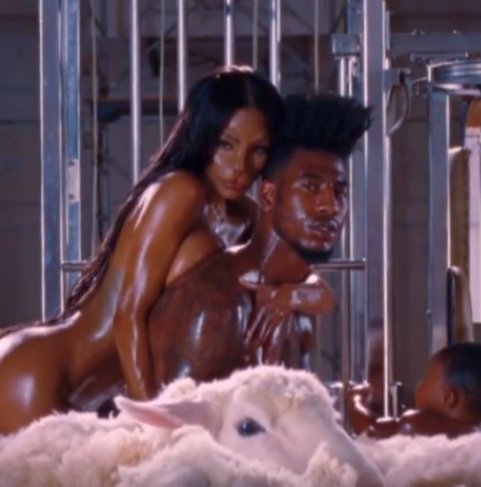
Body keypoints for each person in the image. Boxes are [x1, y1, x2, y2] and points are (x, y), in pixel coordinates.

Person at [0, 67, 336, 435]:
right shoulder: (180, 192)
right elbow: (129, 315)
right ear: (201, 136)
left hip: (81, 389)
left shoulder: (239, 211)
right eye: (225, 145)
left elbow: (298, 274)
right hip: (35, 375)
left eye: (257, 151)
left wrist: (292, 296)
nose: (239, 166)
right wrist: (158, 423)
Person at [143, 93, 372, 389]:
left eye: (339, 191)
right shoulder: (215, 307)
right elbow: (167, 418)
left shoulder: (294, 302)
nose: (330, 206)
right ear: (268, 196)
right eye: (311, 187)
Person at [347, 342, 481, 439]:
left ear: (450, 398)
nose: (420, 384)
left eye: (426, 378)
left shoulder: (422, 422)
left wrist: (355, 400)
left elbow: (372, 430)